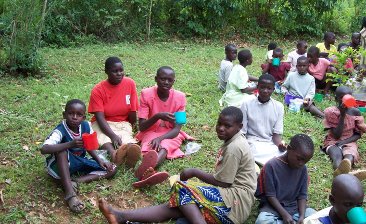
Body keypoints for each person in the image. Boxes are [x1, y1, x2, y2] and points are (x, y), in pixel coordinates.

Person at [98, 106, 257, 224]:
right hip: (230, 201)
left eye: (227, 126)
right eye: (219, 123)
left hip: (235, 204)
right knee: (177, 205)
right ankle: (122, 217)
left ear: (239, 127)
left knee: (181, 188)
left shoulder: (234, 148)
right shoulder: (234, 141)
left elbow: (223, 182)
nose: (221, 129)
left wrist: (194, 171)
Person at [41, 99, 117, 213]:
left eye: (79, 115)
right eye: (71, 113)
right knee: (61, 151)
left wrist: (99, 160)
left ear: (84, 117)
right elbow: (44, 149)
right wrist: (70, 144)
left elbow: (89, 147)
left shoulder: (86, 126)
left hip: (79, 161)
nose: (75, 117)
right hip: (59, 167)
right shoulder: (60, 130)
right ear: (64, 115)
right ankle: (70, 194)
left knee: (112, 168)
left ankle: (76, 181)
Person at [133, 66, 193, 188]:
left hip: (171, 132)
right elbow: (142, 127)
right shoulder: (146, 94)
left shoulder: (180, 97)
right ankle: (149, 171)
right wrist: (158, 116)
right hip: (151, 130)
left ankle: (147, 170)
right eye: (162, 79)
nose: (166, 82)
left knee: (165, 146)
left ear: (173, 82)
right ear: (156, 79)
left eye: (169, 80)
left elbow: (177, 130)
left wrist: (160, 139)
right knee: (151, 147)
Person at [88, 57, 141, 168]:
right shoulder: (98, 90)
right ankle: (115, 155)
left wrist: (134, 127)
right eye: (115, 71)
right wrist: (112, 135)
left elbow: (132, 109)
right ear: (106, 72)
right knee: (104, 138)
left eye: (121, 70)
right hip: (102, 123)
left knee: (126, 138)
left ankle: (131, 152)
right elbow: (99, 117)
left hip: (122, 122)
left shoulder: (130, 83)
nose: (119, 73)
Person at [255, 134, 316, 224]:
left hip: (294, 208)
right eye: (299, 159)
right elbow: (270, 195)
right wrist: (285, 215)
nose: (301, 163)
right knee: (262, 221)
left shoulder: (303, 169)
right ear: (289, 148)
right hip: (273, 208)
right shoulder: (271, 166)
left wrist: (302, 216)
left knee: (314, 216)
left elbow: (302, 195)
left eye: (305, 161)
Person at [241, 74, 285, 166]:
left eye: (269, 88)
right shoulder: (246, 103)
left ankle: (274, 163)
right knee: (253, 152)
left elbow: (276, 136)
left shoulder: (278, 107)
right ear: (257, 87)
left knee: (286, 154)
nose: (265, 91)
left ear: (273, 89)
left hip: (269, 143)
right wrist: (243, 147)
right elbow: (242, 132)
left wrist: (280, 145)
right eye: (262, 87)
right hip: (252, 141)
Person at [322, 86, 366, 176]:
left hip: (349, 141)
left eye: (348, 96)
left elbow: (358, 135)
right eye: (342, 97)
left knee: (349, 155)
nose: (345, 99)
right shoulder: (331, 112)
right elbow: (336, 135)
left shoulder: (355, 113)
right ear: (336, 99)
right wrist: (342, 115)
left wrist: (344, 142)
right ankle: (344, 173)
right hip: (333, 141)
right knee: (337, 156)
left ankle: (344, 173)